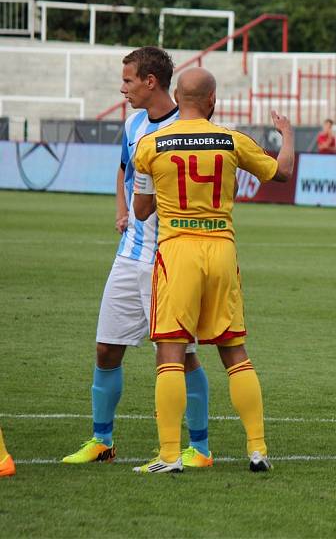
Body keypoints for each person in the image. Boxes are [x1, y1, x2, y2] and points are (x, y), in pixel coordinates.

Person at [132, 67, 294, 473]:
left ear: (178, 96)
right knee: (234, 352)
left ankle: (170, 455)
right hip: (221, 248)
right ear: (212, 100)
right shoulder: (231, 140)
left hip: (177, 251)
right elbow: (282, 172)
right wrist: (288, 135)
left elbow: (140, 209)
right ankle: (258, 448)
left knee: (170, 352)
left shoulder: (150, 144)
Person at [63, 47, 213, 468]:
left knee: (182, 356)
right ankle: (102, 441)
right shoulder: (132, 123)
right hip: (130, 255)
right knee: (106, 349)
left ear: (151, 82)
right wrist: (121, 210)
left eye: (128, 80)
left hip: (171, 257)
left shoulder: (190, 128)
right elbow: (125, 168)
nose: (122, 87)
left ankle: (199, 448)